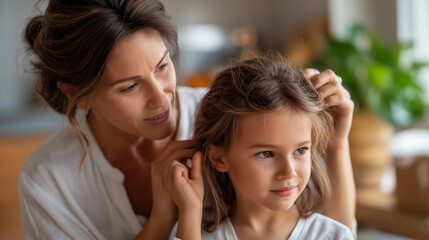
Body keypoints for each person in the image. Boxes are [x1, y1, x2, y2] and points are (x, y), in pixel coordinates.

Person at [19, 0, 355, 239]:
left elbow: (335, 229)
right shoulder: (48, 181)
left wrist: (336, 145)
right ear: (81, 93)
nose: (161, 96)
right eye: (130, 86)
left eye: (163, 66)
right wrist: (163, 219)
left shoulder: (229, 115)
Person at [164, 55, 355, 240]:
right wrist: (190, 212)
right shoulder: (194, 234)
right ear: (219, 158)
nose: (289, 172)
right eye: (266, 154)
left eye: (300, 150)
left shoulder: (333, 235)